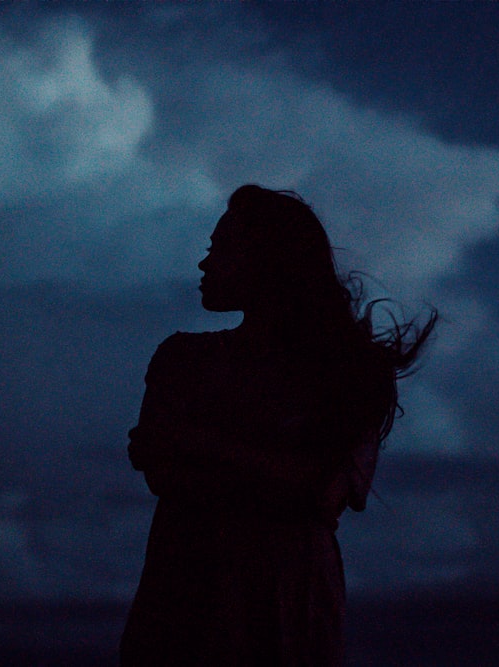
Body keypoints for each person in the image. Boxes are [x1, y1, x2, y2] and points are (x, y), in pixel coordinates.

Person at [120, 185, 436, 666]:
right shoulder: (182, 359)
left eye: (221, 248)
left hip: (285, 609)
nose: (205, 264)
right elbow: (162, 470)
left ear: (271, 260)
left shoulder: (350, 371)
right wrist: (276, 469)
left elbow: (322, 492)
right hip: (186, 602)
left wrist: (196, 443)